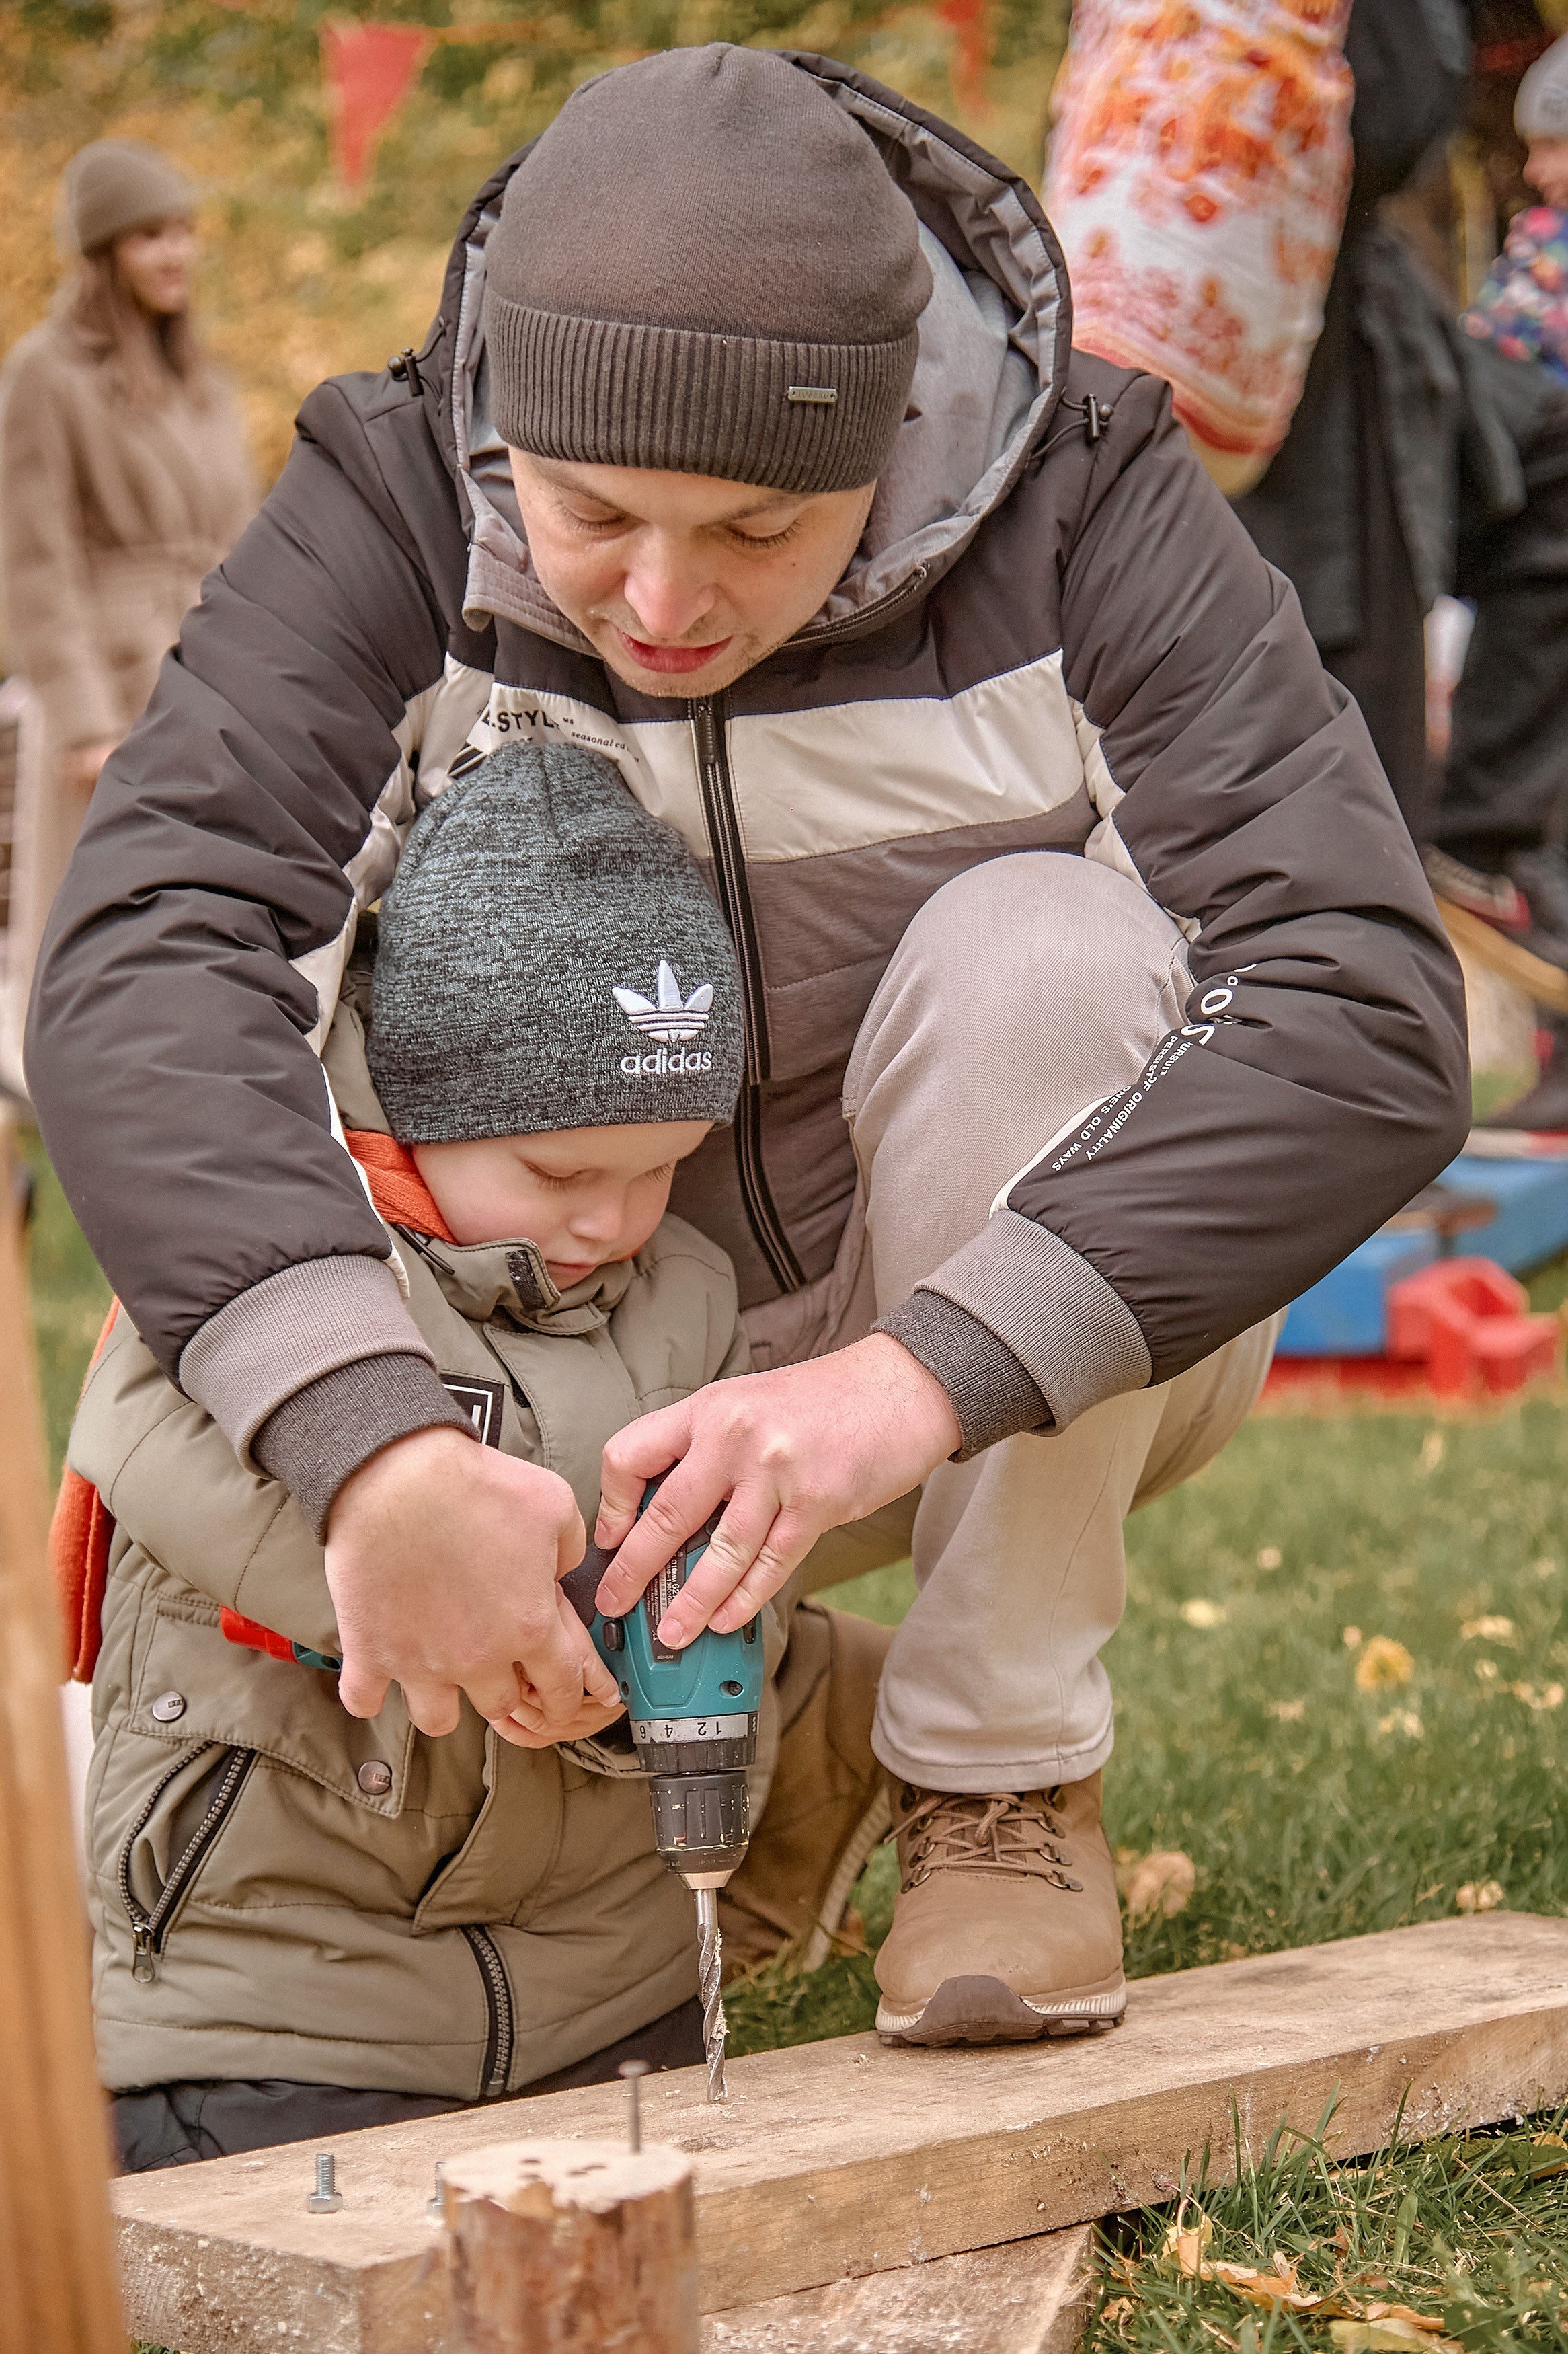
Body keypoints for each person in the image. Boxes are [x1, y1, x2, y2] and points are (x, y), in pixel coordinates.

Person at [30, 47, 1469, 2085]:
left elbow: (1362, 996)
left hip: (973, 1344)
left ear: (893, 436)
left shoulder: (1082, 497)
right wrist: (372, 1440)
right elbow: (152, 947)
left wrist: (909, 1379)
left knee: (1042, 950)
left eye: (757, 527)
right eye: (590, 513)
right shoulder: (390, 490)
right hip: (562, 1354)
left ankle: (991, 1777)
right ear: (504, 427)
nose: (661, 598)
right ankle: (771, 1722)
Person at [65, 738, 887, 2166]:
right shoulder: (288, 1269)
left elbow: (690, 1568)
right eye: (562, 1172)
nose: (611, 1220)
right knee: (281, 2225)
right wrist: (432, 1589)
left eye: (660, 1166)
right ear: (414, 1108)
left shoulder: (683, 1294)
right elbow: (143, 1442)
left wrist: (643, 1667)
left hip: (599, 1983)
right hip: (283, 1988)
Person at [0, 137, 254, 1092]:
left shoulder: (204, 381)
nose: (176, 252)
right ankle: (86, 1111)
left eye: (183, 231)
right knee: (100, 927)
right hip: (111, 690)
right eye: (151, 235)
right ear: (104, 252)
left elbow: (242, 543)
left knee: (202, 917)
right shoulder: (46, 373)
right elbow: (35, 558)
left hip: (206, 673)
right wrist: (84, 724)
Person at [1425, 34, 1568, 1137]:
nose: (1544, 170)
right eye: (1538, 148)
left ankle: (1483, 844)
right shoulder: (1536, 253)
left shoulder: (1548, 268)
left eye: (1562, 147)